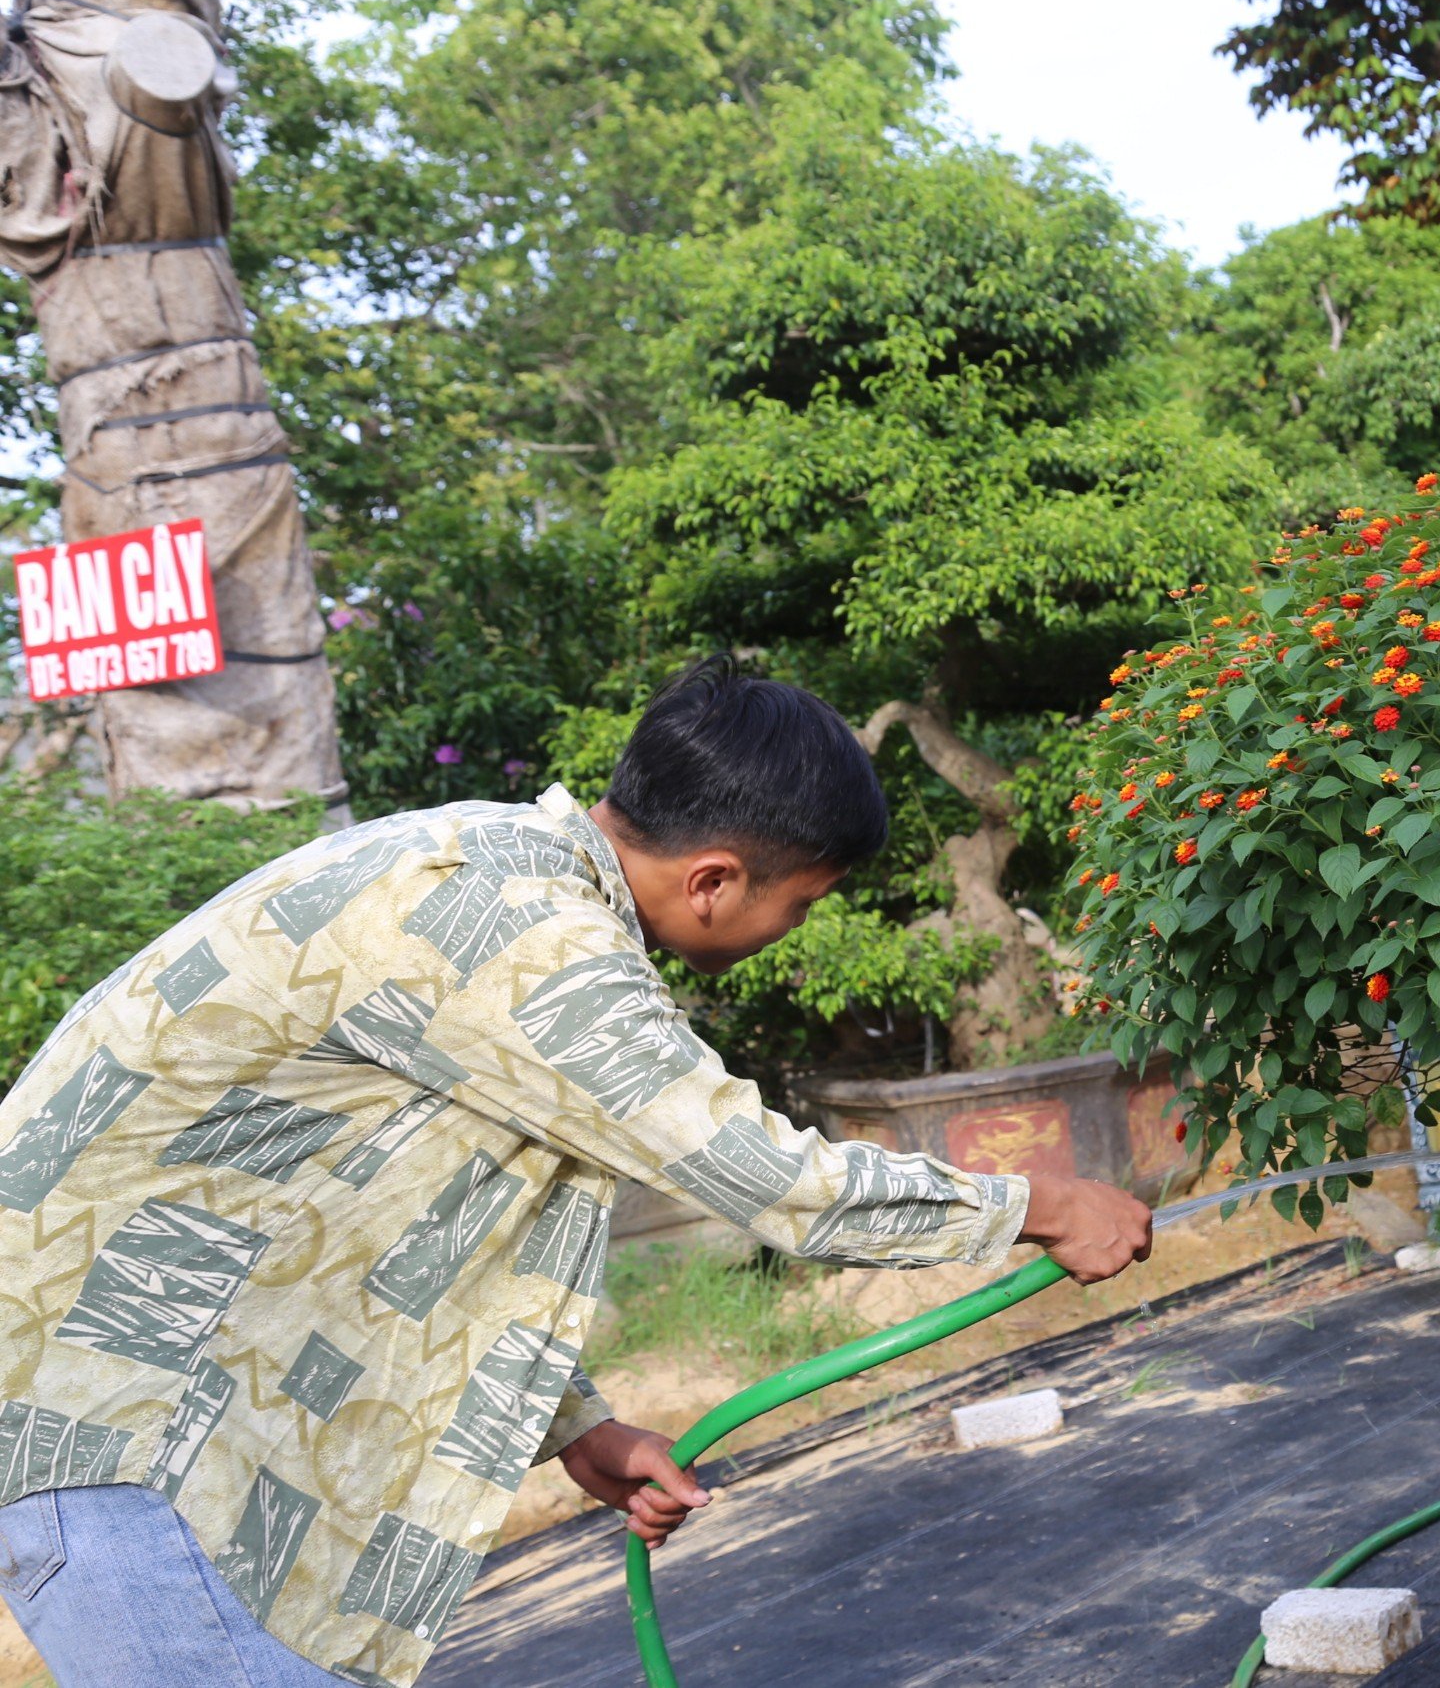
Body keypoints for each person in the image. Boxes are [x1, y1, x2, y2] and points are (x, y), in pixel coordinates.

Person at [0, 658, 1153, 1687]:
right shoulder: (518, 929)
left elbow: (420, 1215)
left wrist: (577, 1428)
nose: (791, 931)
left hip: (152, 1425)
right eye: (799, 905)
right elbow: (765, 1177)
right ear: (713, 879)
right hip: (114, 1433)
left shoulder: (497, 878)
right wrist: (1041, 1201)